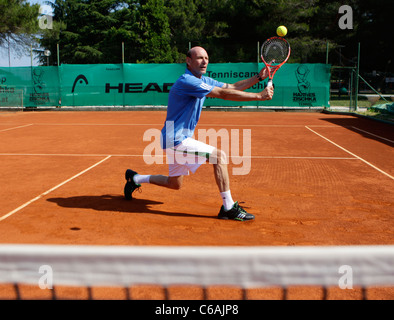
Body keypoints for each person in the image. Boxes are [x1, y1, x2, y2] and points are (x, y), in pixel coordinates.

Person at [124, 46, 274, 221]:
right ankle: (228, 207)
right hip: (176, 138)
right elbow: (224, 94)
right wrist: (259, 96)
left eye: (207, 58)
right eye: (199, 58)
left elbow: (232, 86)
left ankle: (135, 178)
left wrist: (258, 77)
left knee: (174, 184)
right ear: (188, 61)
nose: (204, 62)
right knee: (219, 156)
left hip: (175, 138)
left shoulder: (203, 80)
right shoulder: (187, 81)